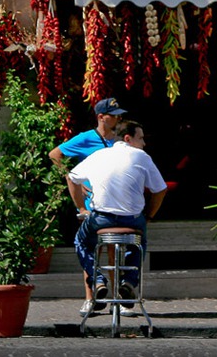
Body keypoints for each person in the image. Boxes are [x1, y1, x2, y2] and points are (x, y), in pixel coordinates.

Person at [67, 119, 168, 315]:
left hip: (101, 219)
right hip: (131, 219)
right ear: (128, 138)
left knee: (81, 241)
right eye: (141, 138)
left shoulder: (99, 155)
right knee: (139, 241)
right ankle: (128, 282)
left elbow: (71, 177)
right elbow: (160, 190)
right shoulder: (141, 156)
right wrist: (150, 215)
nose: (144, 143)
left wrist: (81, 207)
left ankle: (97, 282)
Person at [49, 97, 127, 316]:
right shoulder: (86, 138)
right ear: (101, 117)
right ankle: (90, 298)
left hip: (113, 203)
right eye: (114, 115)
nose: (118, 118)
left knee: (114, 251)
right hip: (90, 204)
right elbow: (55, 154)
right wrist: (75, 180)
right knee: (91, 249)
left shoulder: (120, 141)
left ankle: (117, 299)